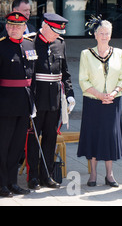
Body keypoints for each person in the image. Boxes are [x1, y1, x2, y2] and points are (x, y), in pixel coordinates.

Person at [77, 17, 122, 187]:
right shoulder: (86, 54)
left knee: (109, 137)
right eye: (101, 33)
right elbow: (83, 80)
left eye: (107, 33)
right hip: (93, 101)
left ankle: (109, 174)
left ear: (110, 35)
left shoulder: (119, 53)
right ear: (95, 35)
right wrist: (99, 95)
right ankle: (93, 174)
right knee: (93, 135)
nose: (104, 36)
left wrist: (112, 93)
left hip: (112, 102)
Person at [26, 13, 74, 190]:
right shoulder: (30, 42)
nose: (57, 35)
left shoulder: (60, 43)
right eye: (55, 31)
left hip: (54, 99)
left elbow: (65, 72)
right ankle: (33, 177)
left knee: (50, 138)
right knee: (33, 140)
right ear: (45, 26)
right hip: (37, 99)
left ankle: (47, 175)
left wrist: (69, 93)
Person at [0, 11, 36, 197]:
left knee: (16, 146)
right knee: (3, 146)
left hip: (24, 104)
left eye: (19, 26)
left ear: (24, 28)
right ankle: (1, 184)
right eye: (11, 26)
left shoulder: (30, 45)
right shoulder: (1, 47)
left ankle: (13, 182)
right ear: (6, 27)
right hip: (5, 106)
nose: (15, 29)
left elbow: (32, 76)